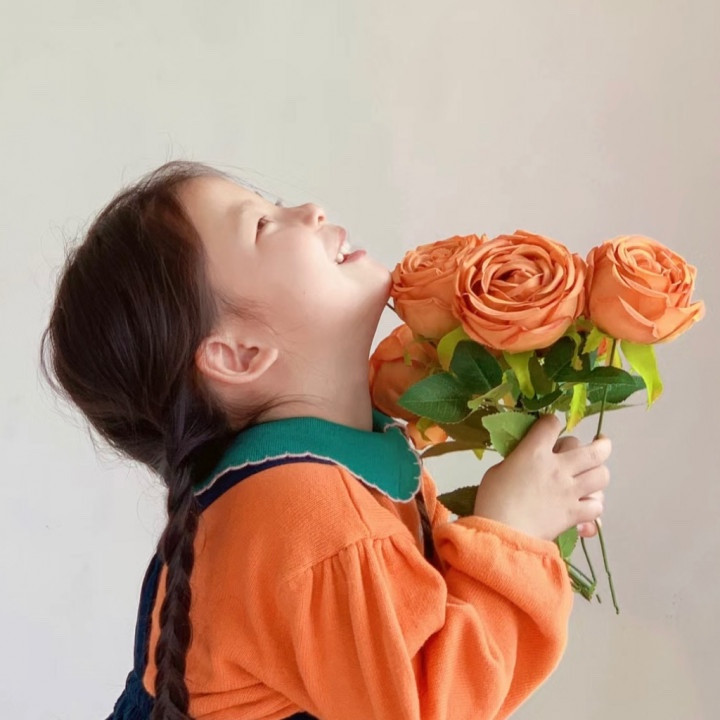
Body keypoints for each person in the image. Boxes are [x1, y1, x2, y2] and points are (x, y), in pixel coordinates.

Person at [40, 160, 611, 720]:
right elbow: (429, 704)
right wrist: (514, 531)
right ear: (238, 354)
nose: (310, 210)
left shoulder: (319, 479)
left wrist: (528, 508)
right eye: (262, 226)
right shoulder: (305, 515)